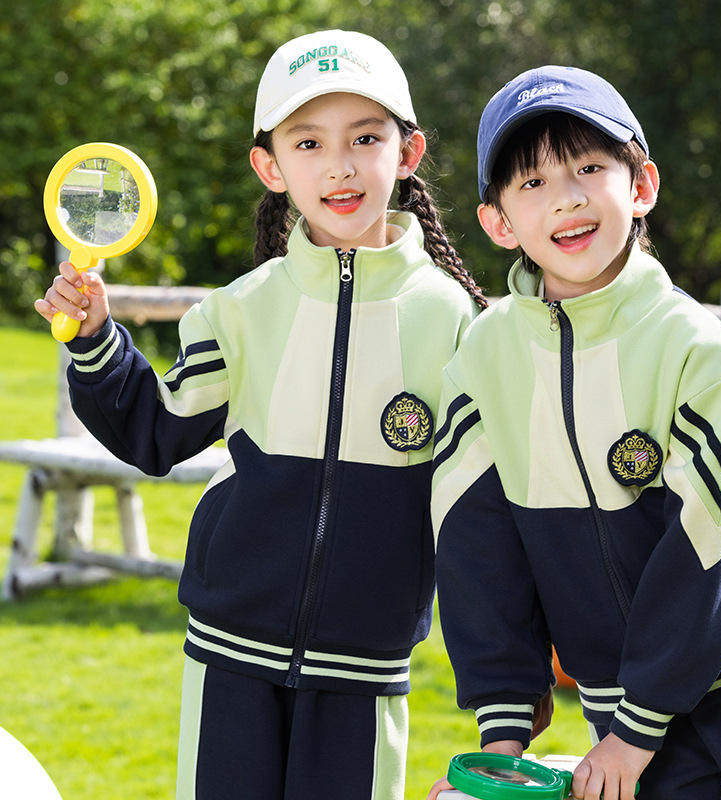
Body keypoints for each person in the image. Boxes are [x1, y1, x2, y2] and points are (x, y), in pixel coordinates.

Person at [35, 29, 485, 800]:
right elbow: (155, 431)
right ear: (271, 167)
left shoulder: (456, 322)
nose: (338, 164)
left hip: (366, 664)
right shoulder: (239, 311)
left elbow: (485, 509)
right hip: (229, 650)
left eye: (365, 137)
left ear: (407, 154)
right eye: (308, 142)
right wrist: (95, 341)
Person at [427, 66, 721, 800]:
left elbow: (711, 540)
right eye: (531, 182)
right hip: (616, 702)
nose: (565, 195)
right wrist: (503, 721)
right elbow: (477, 544)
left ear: (641, 185)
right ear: (498, 222)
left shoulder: (691, 341)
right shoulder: (483, 357)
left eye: (589, 167)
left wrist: (637, 728)